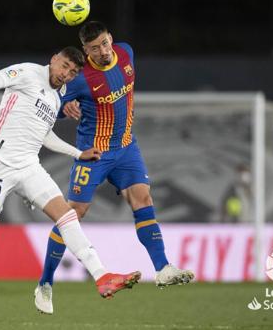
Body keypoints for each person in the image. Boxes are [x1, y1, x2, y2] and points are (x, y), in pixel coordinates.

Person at [0, 46, 141, 304]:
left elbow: (45, 135)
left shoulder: (57, 99)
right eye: (64, 66)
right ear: (54, 59)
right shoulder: (27, 72)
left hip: (28, 167)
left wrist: (78, 154)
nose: (66, 74)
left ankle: (102, 276)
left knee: (67, 215)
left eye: (73, 72)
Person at [34, 22, 194, 314]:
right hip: (93, 154)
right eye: (95, 48)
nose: (103, 51)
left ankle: (163, 268)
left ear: (112, 40)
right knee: (72, 214)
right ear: (86, 50)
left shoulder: (127, 53)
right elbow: (47, 105)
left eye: (105, 43)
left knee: (143, 198)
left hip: (126, 148)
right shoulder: (79, 79)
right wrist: (64, 109)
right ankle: (45, 283)